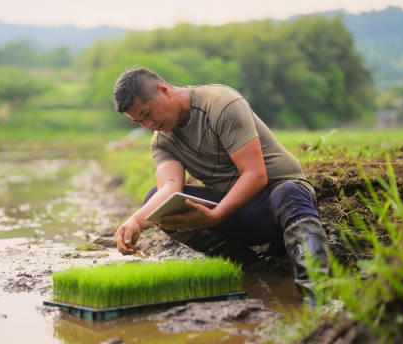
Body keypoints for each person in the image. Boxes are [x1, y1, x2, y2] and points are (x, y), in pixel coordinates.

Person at [112, 67, 329, 305]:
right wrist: (135, 221)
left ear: (163, 90)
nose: (148, 124)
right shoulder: (161, 143)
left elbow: (256, 175)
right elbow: (169, 189)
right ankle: (252, 268)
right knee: (157, 202)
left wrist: (216, 215)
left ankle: (318, 293)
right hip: (235, 211)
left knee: (289, 192)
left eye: (147, 113)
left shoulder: (220, 104)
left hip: (277, 205)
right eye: (139, 121)